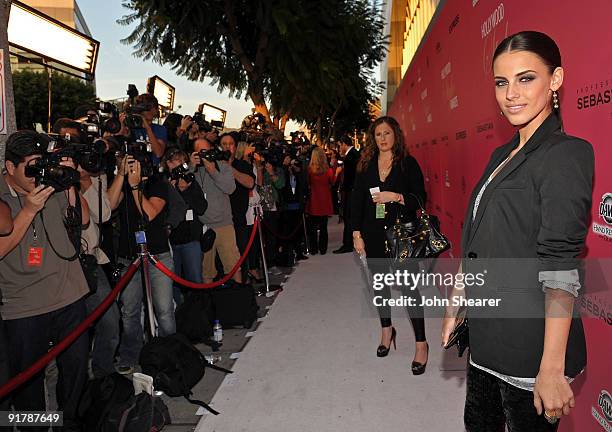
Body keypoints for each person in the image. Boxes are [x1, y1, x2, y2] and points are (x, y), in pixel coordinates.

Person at [441, 31, 593, 431]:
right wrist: (459, 300)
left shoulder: (565, 155)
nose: (511, 94)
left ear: (555, 80)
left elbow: (561, 267)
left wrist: (551, 368)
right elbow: (478, 239)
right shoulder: (500, 153)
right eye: (501, 82)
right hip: (488, 339)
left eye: (526, 79)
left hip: (531, 351)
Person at [0, 130, 90, 431]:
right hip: (25, 306)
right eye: (31, 166)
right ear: (10, 167)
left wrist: (70, 181)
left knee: (76, 372)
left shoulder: (50, 181)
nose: (38, 172)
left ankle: (70, 424)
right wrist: (28, 209)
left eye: (42, 162)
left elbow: (85, 220)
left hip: (70, 294)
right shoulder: (2, 197)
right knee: (28, 386)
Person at [351, 116, 429, 374]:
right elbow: (356, 202)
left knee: (409, 291)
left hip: (401, 236)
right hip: (373, 235)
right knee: (380, 286)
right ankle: (387, 332)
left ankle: (421, 344)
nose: (382, 139)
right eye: (377, 135)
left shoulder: (408, 164)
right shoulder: (366, 165)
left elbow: (419, 199)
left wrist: (395, 197)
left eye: (386, 133)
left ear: (395, 135)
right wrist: (356, 233)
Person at [108, 154, 175, 374]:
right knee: (130, 311)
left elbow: (150, 212)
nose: (135, 167)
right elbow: (108, 206)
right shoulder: (121, 182)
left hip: (158, 255)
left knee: (164, 310)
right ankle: (131, 355)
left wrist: (136, 186)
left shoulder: (158, 183)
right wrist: (121, 176)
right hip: (129, 256)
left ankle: (169, 354)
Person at [190, 138, 242, 283]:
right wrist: (190, 167)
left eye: (207, 151)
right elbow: (183, 190)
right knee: (207, 271)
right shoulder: (192, 170)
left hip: (224, 224)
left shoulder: (222, 166)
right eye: (201, 152)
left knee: (233, 266)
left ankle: (240, 299)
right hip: (203, 227)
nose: (205, 155)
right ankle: (209, 302)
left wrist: (212, 170)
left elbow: (230, 189)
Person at [162, 148, 207, 304]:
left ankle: (199, 315)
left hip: (191, 239)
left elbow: (202, 207)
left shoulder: (190, 180)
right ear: (168, 163)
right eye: (176, 161)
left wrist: (185, 190)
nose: (180, 165)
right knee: (172, 284)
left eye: (183, 161)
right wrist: (172, 189)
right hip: (170, 242)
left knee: (195, 281)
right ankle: (180, 316)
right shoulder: (162, 182)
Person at [220, 133, 255, 281]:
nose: (228, 147)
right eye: (224, 144)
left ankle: (242, 289)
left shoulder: (242, 165)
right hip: (219, 221)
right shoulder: (212, 166)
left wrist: (229, 168)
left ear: (235, 146)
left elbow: (250, 183)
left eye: (230, 144)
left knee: (241, 255)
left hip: (238, 219)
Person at [305, 147, 335, 255]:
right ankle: (323, 249)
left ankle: (313, 249)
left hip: (314, 200)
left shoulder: (309, 170)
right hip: (325, 200)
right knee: (323, 227)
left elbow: (307, 183)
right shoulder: (328, 170)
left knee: (312, 227)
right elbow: (332, 181)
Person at [334, 135, 360, 254]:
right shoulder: (352, 155)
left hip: (352, 191)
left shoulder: (352, 156)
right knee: (349, 217)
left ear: (344, 144)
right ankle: (349, 243)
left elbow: (351, 177)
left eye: (340, 145)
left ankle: (348, 244)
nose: (339, 148)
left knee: (348, 217)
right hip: (352, 191)